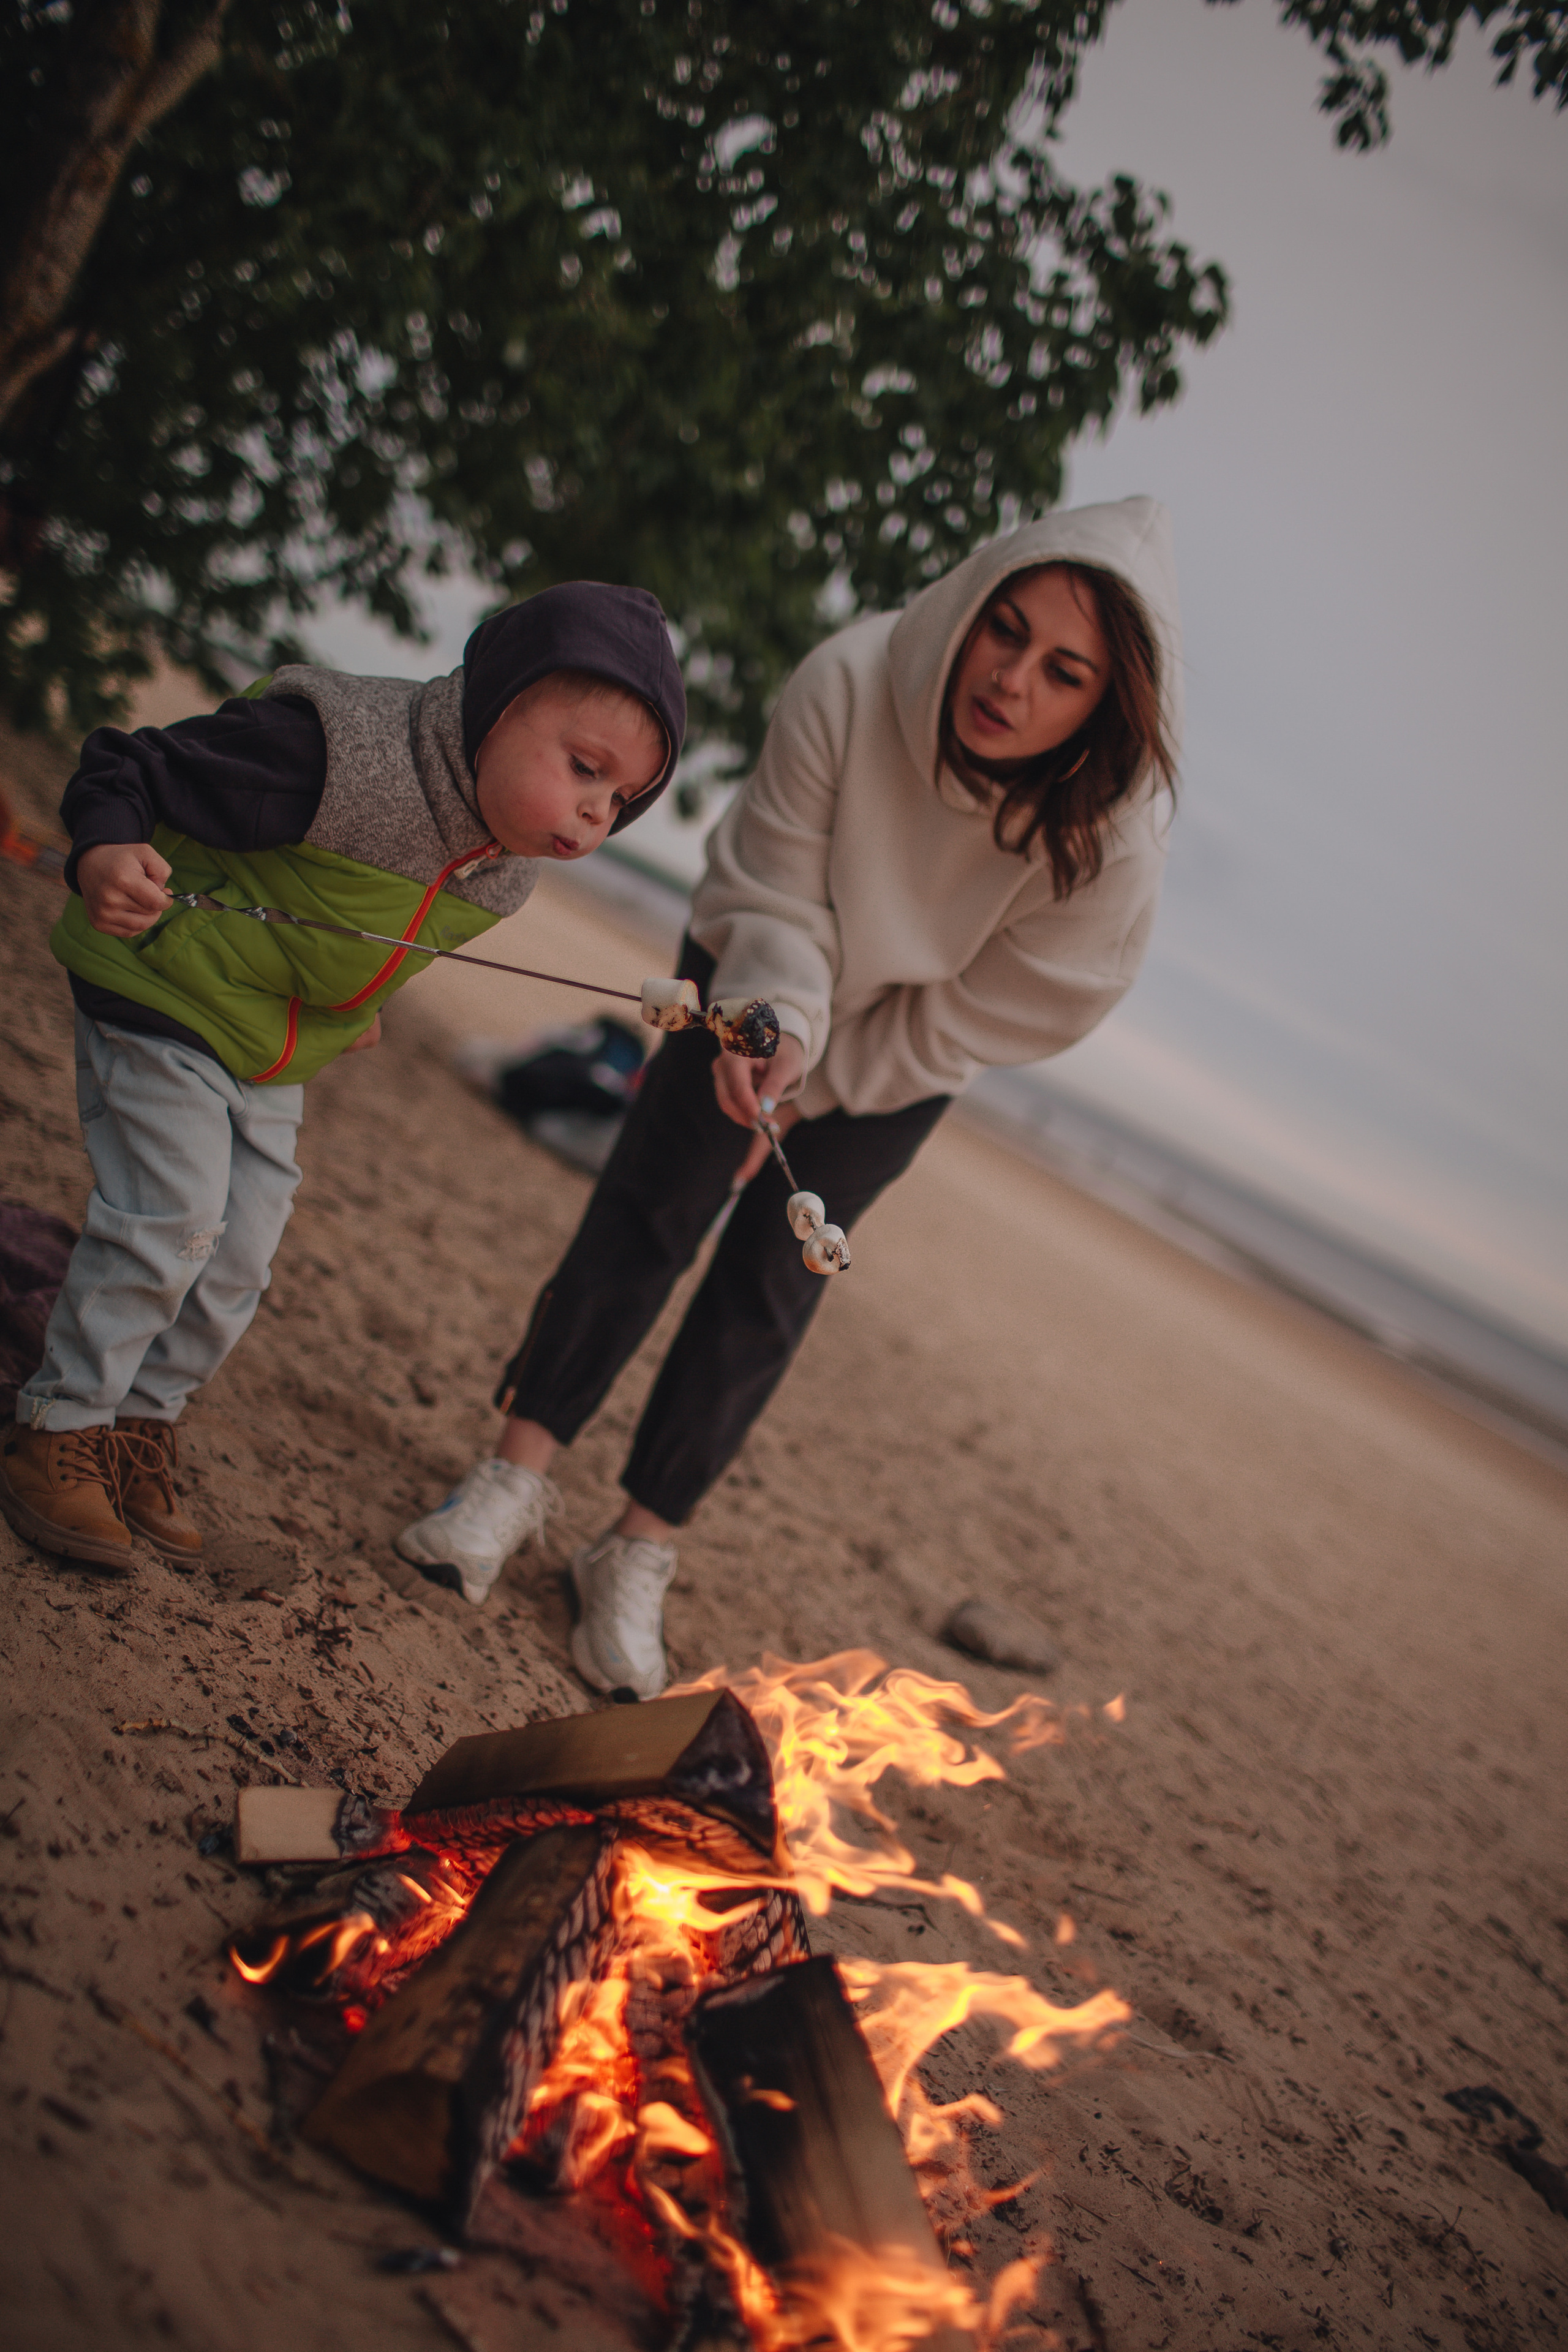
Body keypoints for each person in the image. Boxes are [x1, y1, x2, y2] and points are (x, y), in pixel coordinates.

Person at [398, 496, 1182, 1694]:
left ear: (1101, 703)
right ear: (972, 604)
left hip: (908, 1051)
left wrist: (825, 1090)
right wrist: (781, 1033)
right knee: (648, 1208)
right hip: (762, 965)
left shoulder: (1114, 834)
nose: (1012, 677)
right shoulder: (851, 679)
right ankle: (509, 1480)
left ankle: (635, 1551)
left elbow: (1020, 1000)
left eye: (1061, 670)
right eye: (1004, 630)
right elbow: (774, 889)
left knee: (772, 1284)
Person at [2, 585, 686, 1572]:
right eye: (585, 768)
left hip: (273, 1043)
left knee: (239, 1256)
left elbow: (365, 935)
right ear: (497, 705)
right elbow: (131, 763)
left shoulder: (506, 871)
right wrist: (108, 846)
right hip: (165, 986)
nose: (596, 810)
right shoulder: (336, 752)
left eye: (623, 800)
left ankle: (135, 1425)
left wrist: (355, 1012)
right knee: (175, 1218)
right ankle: (61, 1425)